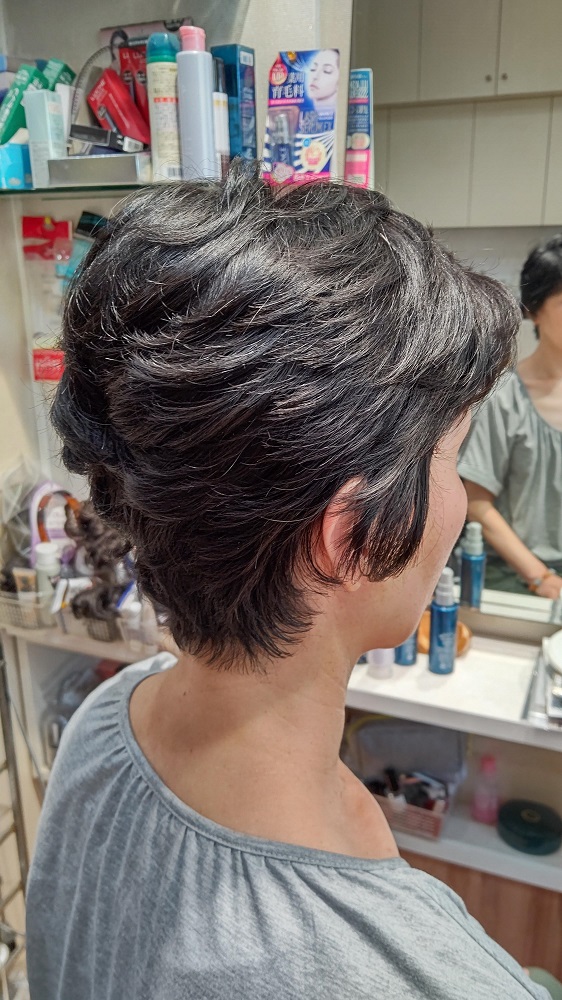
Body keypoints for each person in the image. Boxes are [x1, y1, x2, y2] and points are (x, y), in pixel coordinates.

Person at [27, 166, 551, 999]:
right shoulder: (414, 979)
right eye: (450, 458)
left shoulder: (107, 720)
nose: (458, 501)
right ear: (351, 537)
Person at [459, 236, 562, 597]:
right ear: (534, 309)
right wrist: (542, 578)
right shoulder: (503, 395)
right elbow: (477, 504)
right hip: (516, 578)